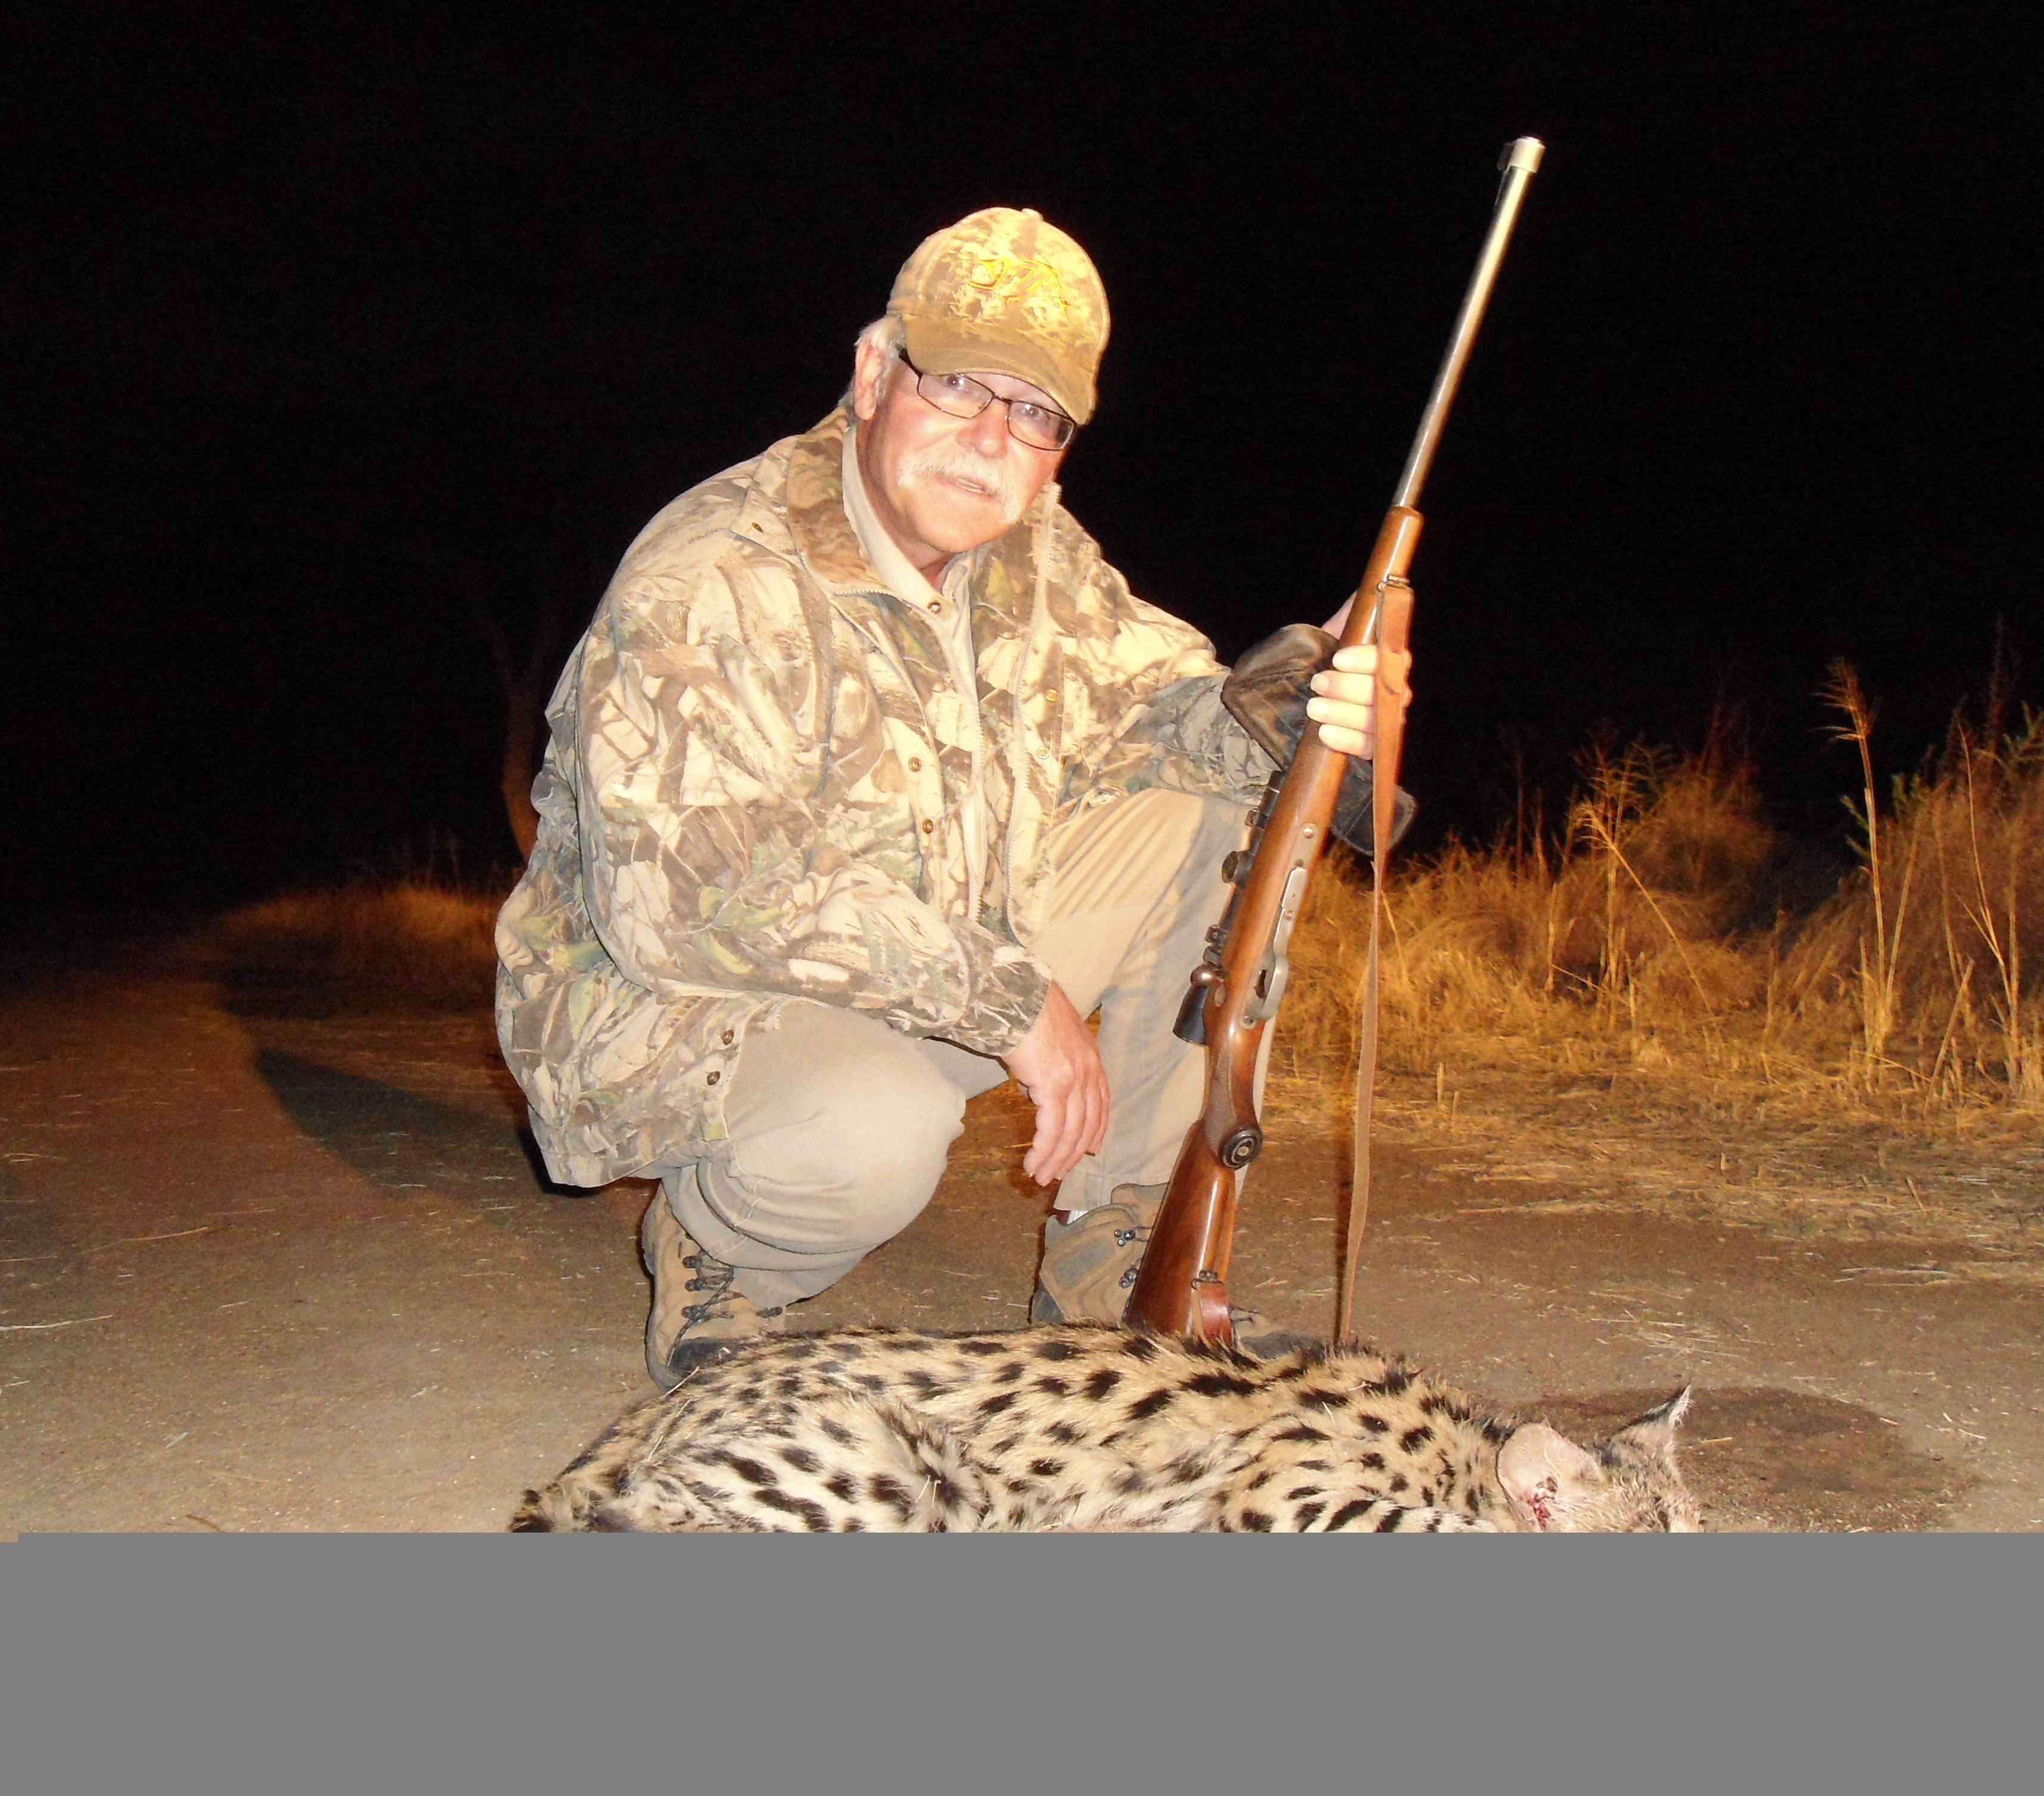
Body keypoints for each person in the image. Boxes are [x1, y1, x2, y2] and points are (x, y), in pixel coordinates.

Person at [495, 207, 1402, 1389]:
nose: (989, 439)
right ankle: (722, 1262)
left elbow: (1155, 711)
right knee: (872, 1130)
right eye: (959, 384)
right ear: (874, 374)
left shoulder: (1030, 554)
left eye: (1034, 413)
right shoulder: (712, 572)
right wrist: (1007, 1000)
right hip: (663, 1001)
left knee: (1215, 818)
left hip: (917, 957)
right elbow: (687, 896)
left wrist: (1301, 702)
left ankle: (1121, 1280)